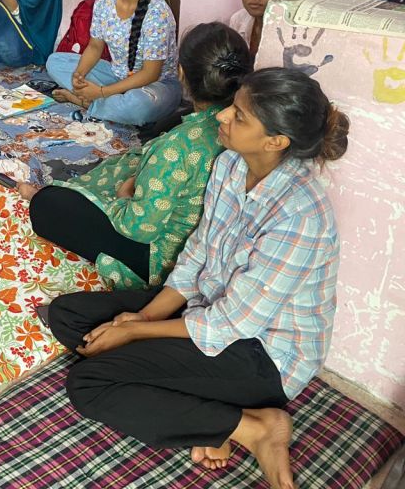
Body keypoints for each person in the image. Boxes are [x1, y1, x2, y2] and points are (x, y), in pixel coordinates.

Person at [45, 67, 350, 489]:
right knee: (68, 316)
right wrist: (145, 319)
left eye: (239, 116)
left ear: (275, 141)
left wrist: (134, 333)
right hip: (207, 310)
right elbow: (198, 256)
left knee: (89, 383)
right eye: (232, 107)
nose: (222, 116)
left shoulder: (301, 215)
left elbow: (234, 323)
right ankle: (213, 415)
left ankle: (255, 428)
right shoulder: (230, 165)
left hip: (263, 354)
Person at [23, 23, 251, 288]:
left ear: (181, 72)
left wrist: (123, 196)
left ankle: (46, 197)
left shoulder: (177, 147)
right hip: (201, 237)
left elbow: (138, 229)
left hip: (162, 259)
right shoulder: (244, 126)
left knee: (47, 204)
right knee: (140, 149)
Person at [45, 0, 181, 126]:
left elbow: (150, 73)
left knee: (138, 106)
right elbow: (95, 47)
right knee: (55, 61)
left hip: (156, 85)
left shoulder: (157, 13)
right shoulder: (105, 1)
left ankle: (86, 101)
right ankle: (103, 100)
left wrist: (101, 92)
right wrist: (79, 75)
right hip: (116, 74)